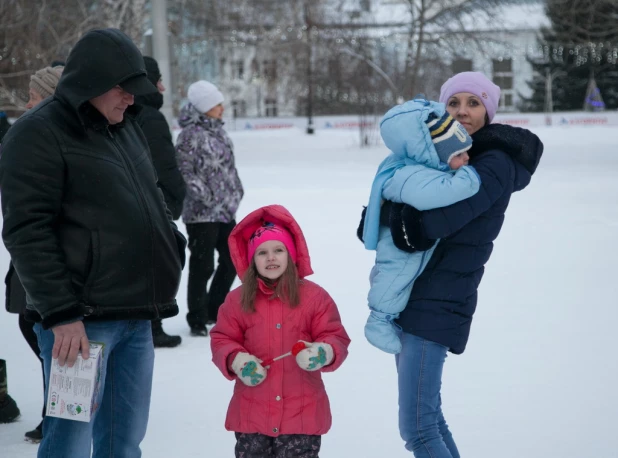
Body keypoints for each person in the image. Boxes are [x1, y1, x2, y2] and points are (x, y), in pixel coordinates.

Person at [0, 28, 186, 457]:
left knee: (124, 442)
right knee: (68, 443)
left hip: (136, 314)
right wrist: (61, 313)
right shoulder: (36, 134)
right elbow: (27, 230)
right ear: (92, 83)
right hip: (80, 326)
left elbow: (150, 194)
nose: (131, 100)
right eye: (124, 91)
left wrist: (168, 240)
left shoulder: (124, 126)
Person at [358, 71, 543, 457]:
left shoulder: (495, 161)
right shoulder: (449, 155)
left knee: (418, 429)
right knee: (429, 420)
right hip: (417, 295)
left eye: (473, 104)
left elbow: (442, 219)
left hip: (438, 299)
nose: (462, 112)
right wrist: (382, 213)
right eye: (453, 104)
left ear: (489, 111)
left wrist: (397, 218)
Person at [210, 204, 350, 458]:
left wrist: (323, 352)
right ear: (252, 260)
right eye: (262, 252)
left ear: (291, 254)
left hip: (302, 416)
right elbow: (222, 338)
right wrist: (238, 360)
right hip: (252, 415)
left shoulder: (314, 297)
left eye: (278, 250)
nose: (271, 257)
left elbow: (335, 336)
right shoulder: (237, 300)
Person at [362, 98, 478, 354]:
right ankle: (378, 321)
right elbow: (438, 193)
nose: (467, 159)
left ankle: (383, 304)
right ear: (436, 154)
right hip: (399, 245)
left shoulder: (416, 166)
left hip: (399, 238)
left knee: (393, 277)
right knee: (396, 278)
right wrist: (469, 178)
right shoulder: (412, 176)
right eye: (459, 155)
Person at [3, 64, 64, 443]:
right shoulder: (32, 136)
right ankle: (56, 412)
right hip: (35, 259)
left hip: (51, 263)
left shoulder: (49, 139)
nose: (28, 103)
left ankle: (57, 415)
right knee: (36, 329)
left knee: (54, 343)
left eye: (35, 96)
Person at [176, 80, 244, 336]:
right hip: (201, 213)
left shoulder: (220, 132)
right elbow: (184, 172)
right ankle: (196, 316)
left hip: (226, 210)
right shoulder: (189, 135)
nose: (221, 107)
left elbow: (230, 169)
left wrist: (237, 191)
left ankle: (215, 310)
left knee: (234, 259)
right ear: (204, 106)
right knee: (203, 265)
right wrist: (207, 196)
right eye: (216, 103)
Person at [135, 55, 187, 348]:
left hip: (138, 202)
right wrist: (176, 195)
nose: (163, 88)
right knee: (155, 264)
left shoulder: (129, 113)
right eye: (158, 82)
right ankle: (152, 325)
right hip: (153, 203)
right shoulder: (150, 117)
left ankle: (150, 324)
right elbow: (164, 165)